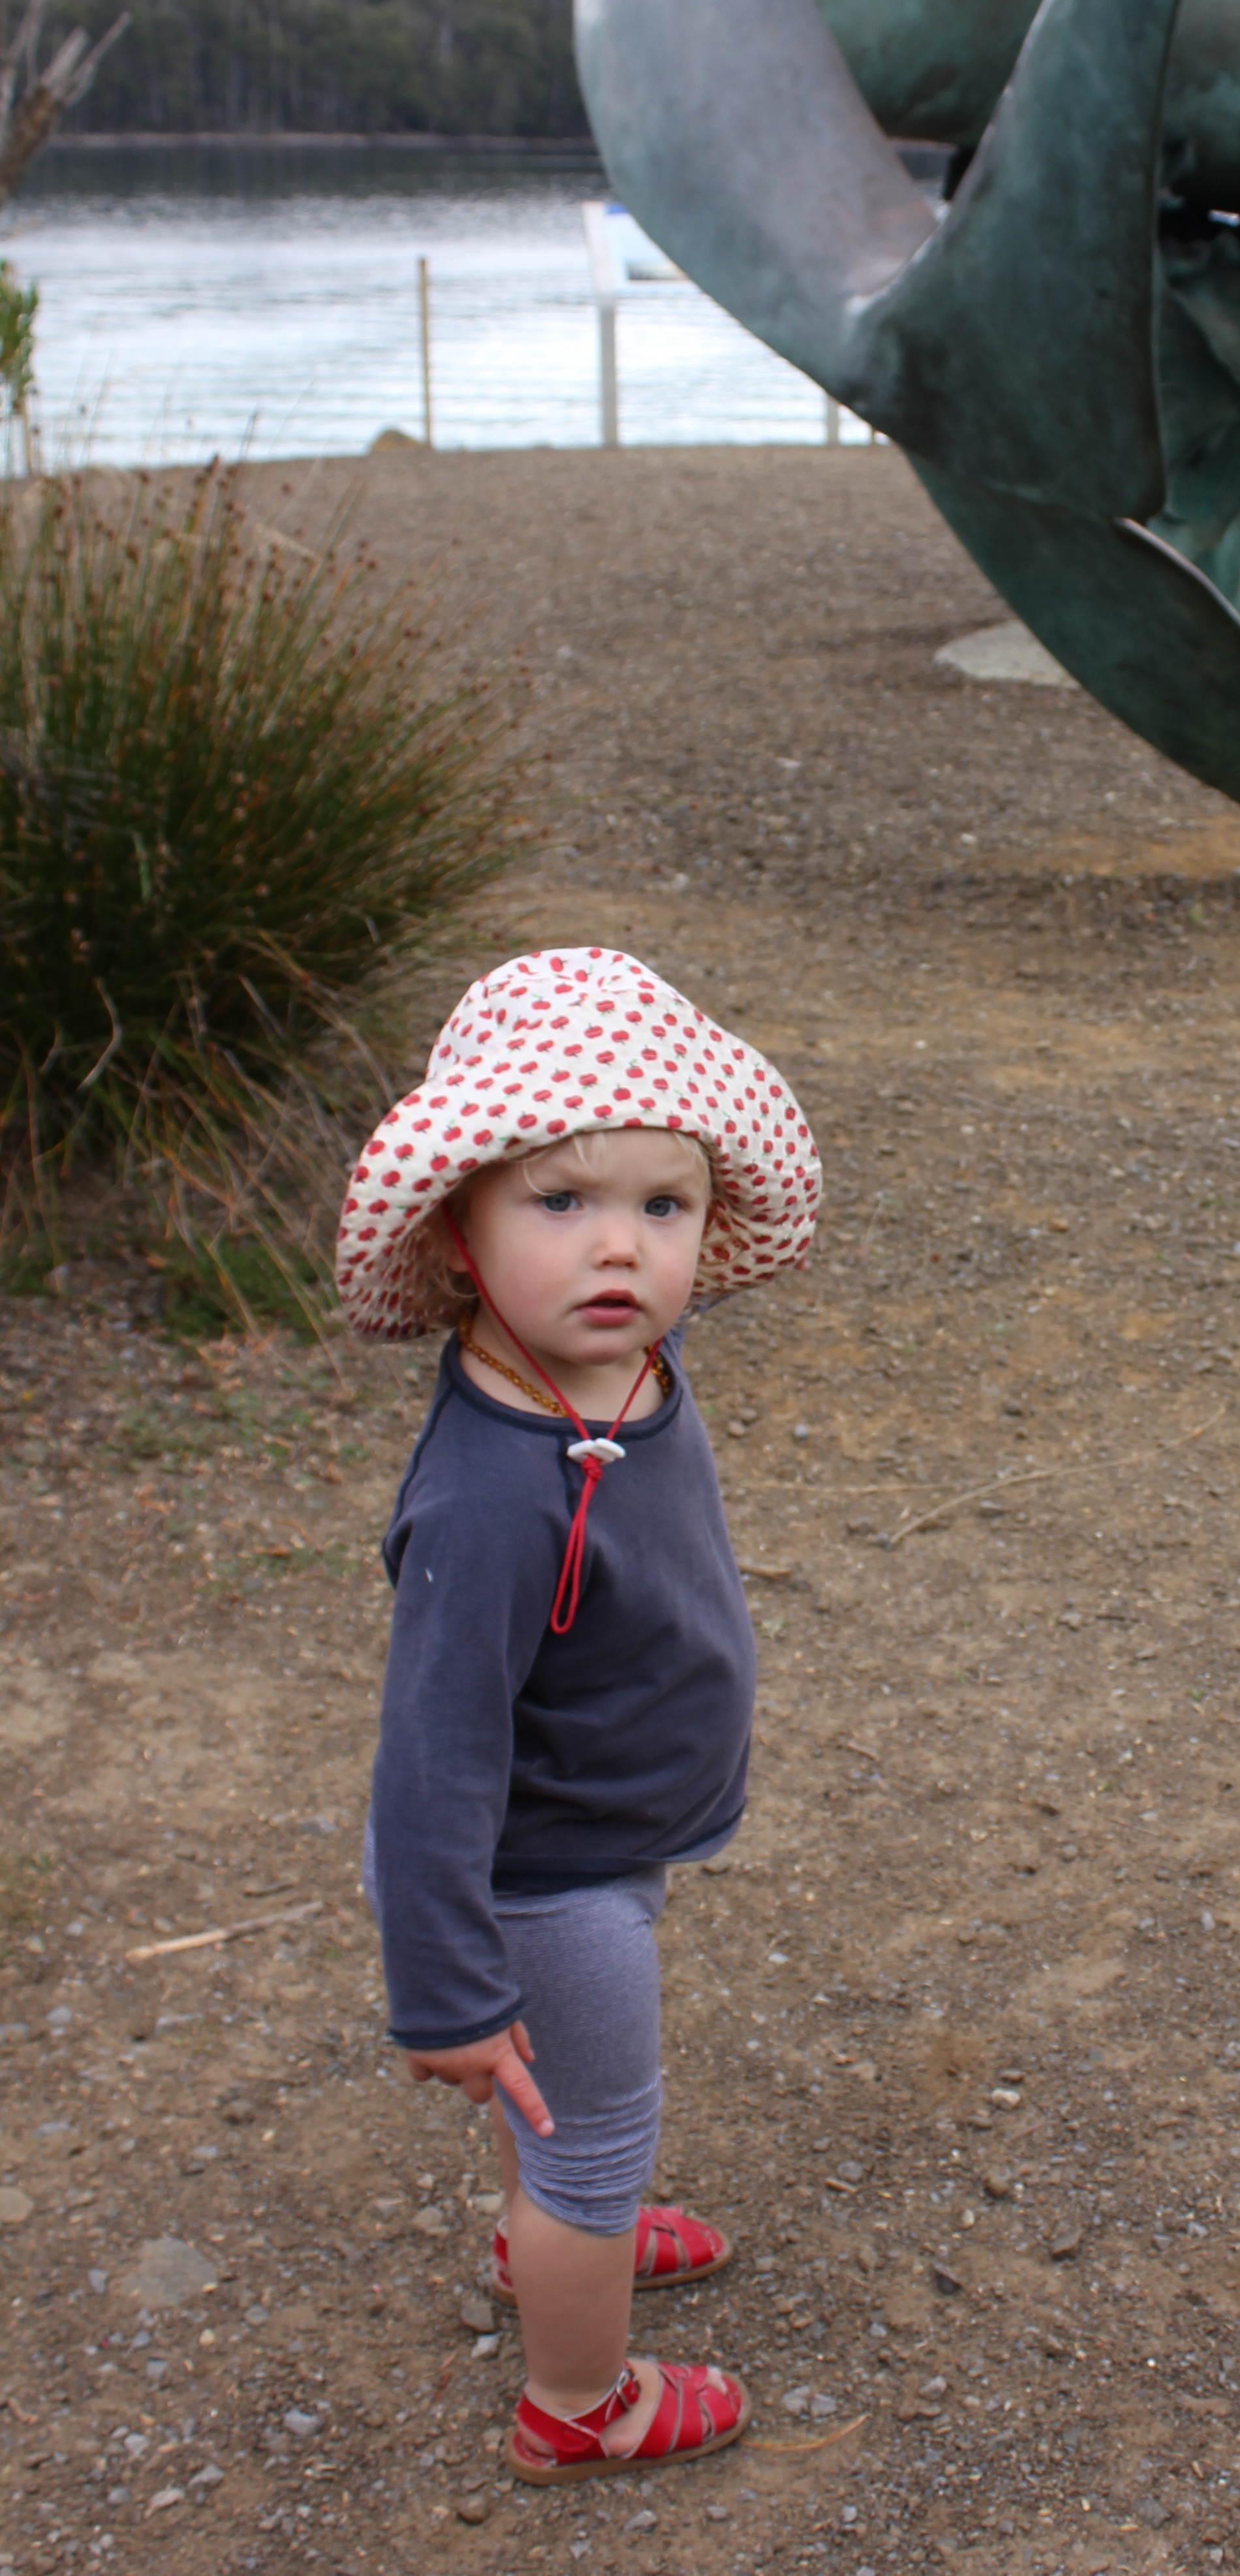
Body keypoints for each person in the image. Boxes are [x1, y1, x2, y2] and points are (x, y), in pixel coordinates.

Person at [335, 946, 820, 2485]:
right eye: (559, 1202)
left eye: (662, 1207)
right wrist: (448, 1991)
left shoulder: (621, 1354)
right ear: (457, 1232)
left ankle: (544, 2222)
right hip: (536, 1879)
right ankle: (579, 2401)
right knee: (600, 2140)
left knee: (565, 2119)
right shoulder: (491, 1497)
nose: (620, 1248)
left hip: (605, 1824)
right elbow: (430, 1762)